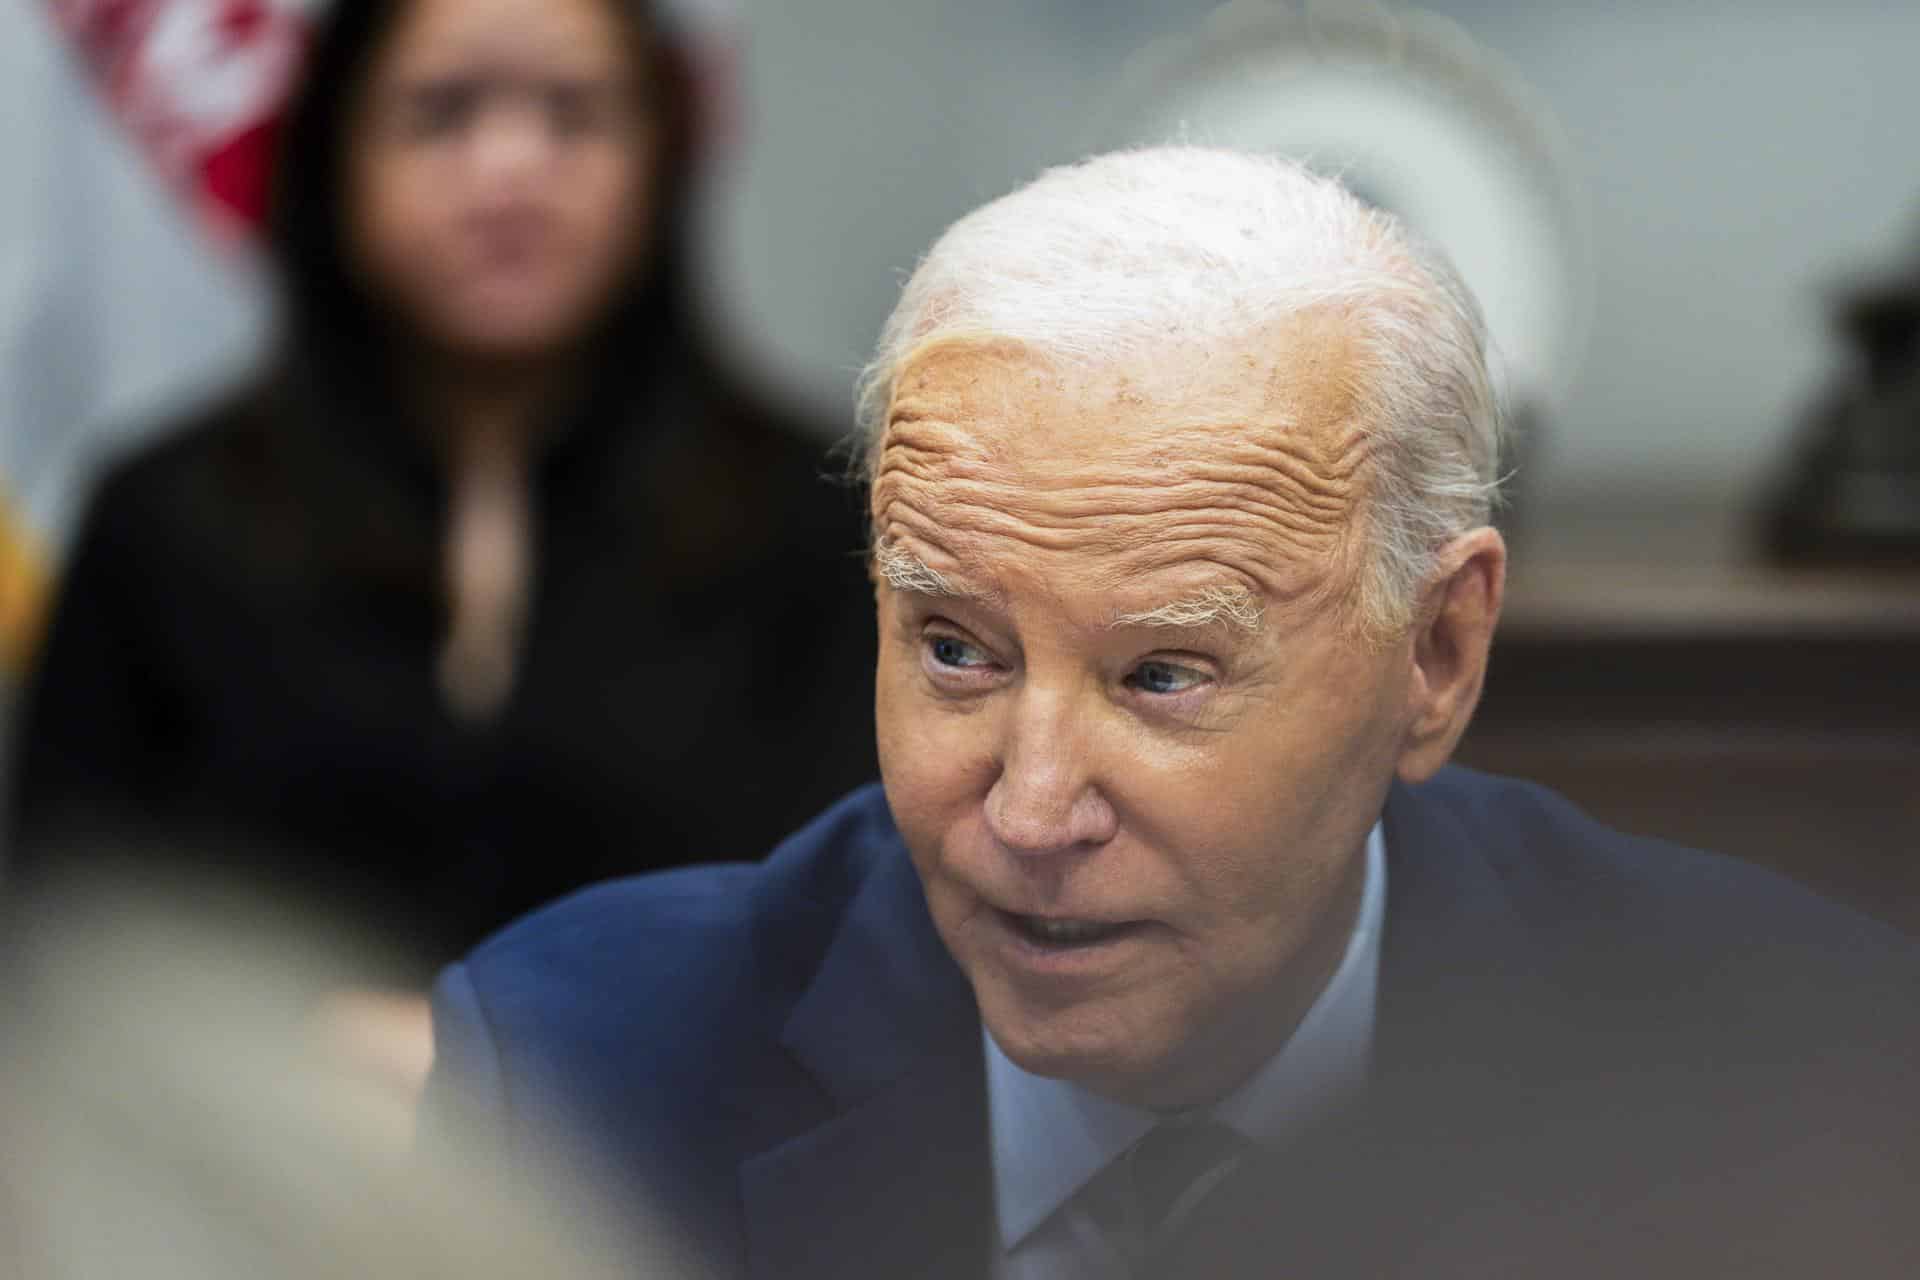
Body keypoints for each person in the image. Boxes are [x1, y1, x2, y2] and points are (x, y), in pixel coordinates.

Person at [420, 149, 1920, 1278]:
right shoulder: (581, 1082)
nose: (1028, 811)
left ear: (1438, 658)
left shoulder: (1789, 1075)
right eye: (956, 651)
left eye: (1160, 676)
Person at [5, 0, 876, 988]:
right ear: (335, 152)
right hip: (235, 1124)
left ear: (663, 155)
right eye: (441, 113)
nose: (509, 170)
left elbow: (850, 934)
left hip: (679, 1129)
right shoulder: (164, 515)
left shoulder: (811, 517)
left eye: (574, 113)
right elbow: (65, 926)